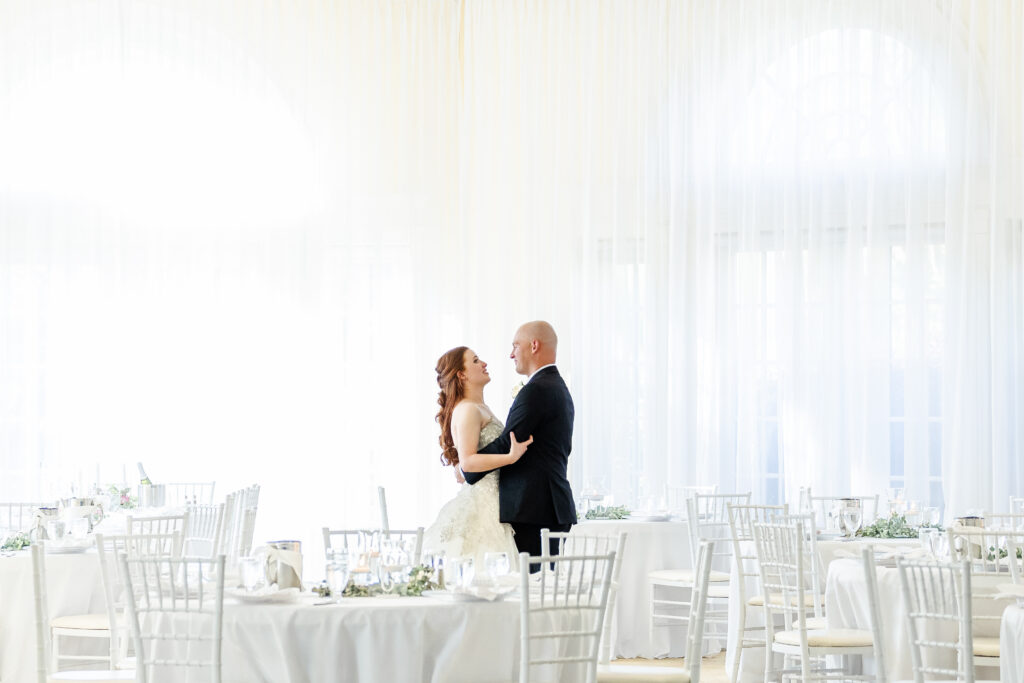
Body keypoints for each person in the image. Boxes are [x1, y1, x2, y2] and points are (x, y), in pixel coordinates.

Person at [463, 321, 576, 565]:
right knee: (537, 590)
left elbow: (510, 441)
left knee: (532, 592)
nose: (511, 354)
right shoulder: (553, 385)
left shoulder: (539, 389)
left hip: (535, 509)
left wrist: (468, 467)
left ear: (533, 346)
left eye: (515, 346)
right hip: (544, 506)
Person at [421, 346, 531, 567]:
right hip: (481, 505)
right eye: (475, 361)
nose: (484, 364)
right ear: (461, 374)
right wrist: (511, 457)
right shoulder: (469, 409)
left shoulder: (480, 407)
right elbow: (469, 462)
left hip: (494, 502)